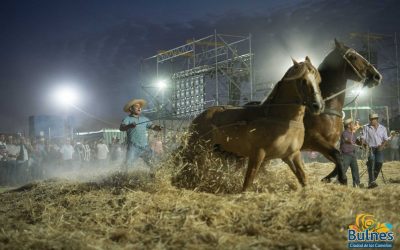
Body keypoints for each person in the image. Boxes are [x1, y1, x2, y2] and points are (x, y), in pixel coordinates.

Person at [120, 98, 162, 171]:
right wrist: (129, 126)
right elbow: (121, 128)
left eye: (140, 106)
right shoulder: (127, 119)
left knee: (153, 164)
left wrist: (158, 127)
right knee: (128, 166)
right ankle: (123, 178)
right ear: (131, 109)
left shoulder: (145, 119)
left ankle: (154, 176)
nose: (139, 108)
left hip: (144, 147)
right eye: (136, 106)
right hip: (133, 147)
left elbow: (152, 126)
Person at [360, 113, 389, 188]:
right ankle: (372, 181)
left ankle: (372, 180)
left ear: (376, 119)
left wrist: (382, 146)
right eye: (370, 119)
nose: (371, 121)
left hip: (379, 148)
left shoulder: (383, 128)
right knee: (371, 163)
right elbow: (363, 137)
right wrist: (363, 144)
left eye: (372, 119)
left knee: (379, 164)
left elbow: (386, 139)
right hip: (370, 148)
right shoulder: (366, 127)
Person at [340, 118, 360, 187]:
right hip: (346, 155)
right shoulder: (344, 133)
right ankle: (340, 184)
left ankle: (356, 184)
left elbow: (357, 142)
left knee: (355, 171)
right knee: (343, 170)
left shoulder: (353, 133)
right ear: (348, 126)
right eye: (352, 124)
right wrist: (350, 140)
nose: (354, 125)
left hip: (353, 154)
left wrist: (362, 143)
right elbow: (347, 140)